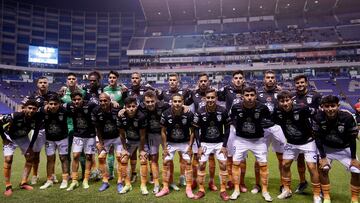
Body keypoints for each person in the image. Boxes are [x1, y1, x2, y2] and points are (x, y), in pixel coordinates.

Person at [272, 91, 321, 202]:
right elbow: (271, 121)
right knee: (284, 165)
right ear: (279, 102)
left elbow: (317, 116)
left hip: (307, 142)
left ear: (291, 100)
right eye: (282, 101)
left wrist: (316, 130)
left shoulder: (302, 108)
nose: (285, 103)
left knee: (312, 167)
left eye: (287, 100)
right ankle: (287, 190)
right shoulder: (277, 111)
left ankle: (317, 194)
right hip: (291, 142)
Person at [229, 86, 274, 201]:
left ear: (255, 95)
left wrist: (263, 125)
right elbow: (231, 119)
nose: (249, 98)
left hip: (258, 140)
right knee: (236, 164)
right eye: (247, 95)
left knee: (263, 165)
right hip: (240, 140)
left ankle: (264, 190)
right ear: (243, 96)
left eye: (252, 95)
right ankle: (236, 189)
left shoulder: (262, 107)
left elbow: (269, 120)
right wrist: (236, 126)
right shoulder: (236, 107)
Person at [314, 95, 360, 203]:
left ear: (338, 106)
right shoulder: (318, 117)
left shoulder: (347, 117)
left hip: (345, 149)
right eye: (327, 106)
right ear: (322, 107)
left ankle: (354, 198)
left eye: (333, 106)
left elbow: (352, 139)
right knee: (323, 169)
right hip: (327, 149)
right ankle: (326, 197)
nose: (330, 109)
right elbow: (317, 138)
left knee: (357, 171)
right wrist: (323, 157)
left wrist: (353, 158)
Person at [192, 89, 231, 200]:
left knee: (223, 164)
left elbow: (227, 128)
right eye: (208, 98)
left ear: (216, 98)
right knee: (202, 165)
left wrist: (224, 145)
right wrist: (199, 146)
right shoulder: (200, 111)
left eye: (212, 97)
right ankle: (201, 190)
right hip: (205, 143)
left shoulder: (223, 110)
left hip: (219, 142)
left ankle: (223, 190)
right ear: (205, 99)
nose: (210, 100)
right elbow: (195, 130)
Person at [156, 93, 195, 198]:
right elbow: (163, 131)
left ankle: (189, 188)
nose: (177, 103)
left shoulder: (189, 114)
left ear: (182, 102)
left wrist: (190, 147)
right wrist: (164, 148)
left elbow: (193, 131)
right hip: (171, 143)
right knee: (165, 162)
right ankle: (165, 188)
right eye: (175, 101)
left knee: (188, 162)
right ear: (171, 102)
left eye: (179, 101)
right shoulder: (165, 113)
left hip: (184, 143)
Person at [253, 70, 286, 194]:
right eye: (268, 77)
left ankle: (283, 184)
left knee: (281, 158)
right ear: (264, 79)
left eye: (272, 77)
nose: (270, 79)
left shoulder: (280, 93)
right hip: (263, 129)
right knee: (259, 159)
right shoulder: (258, 93)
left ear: (275, 79)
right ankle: (257, 184)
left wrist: (282, 90)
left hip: (278, 127)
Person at [0, 99, 40, 196]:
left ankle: (23, 182)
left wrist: (30, 147)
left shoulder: (37, 118)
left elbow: (35, 133)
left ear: (36, 110)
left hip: (23, 138)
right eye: (29, 108)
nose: (31, 110)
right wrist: (4, 138)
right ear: (25, 108)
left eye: (34, 109)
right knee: (8, 159)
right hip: (10, 137)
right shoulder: (16, 115)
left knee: (30, 157)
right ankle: (8, 186)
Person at [185, 73, 217, 191]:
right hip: (197, 128)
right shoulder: (194, 94)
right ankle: (194, 181)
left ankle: (211, 182)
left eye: (205, 81)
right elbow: (185, 105)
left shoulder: (213, 93)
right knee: (196, 157)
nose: (203, 83)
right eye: (201, 81)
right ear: (198, 82)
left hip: (211, 130)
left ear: (208, 82)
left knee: (211, 157)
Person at [158, 72, 189, 188]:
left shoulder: (184, 92)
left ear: (178, 81)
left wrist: (186, 106)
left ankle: (182, 177)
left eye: (174, 80)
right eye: (170, 80)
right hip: (169, 127)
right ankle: (169, 180)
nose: (172, 82)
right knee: (168, 158)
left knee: (183, 157)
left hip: (182, 128)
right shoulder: (163, 94)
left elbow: (189, 106)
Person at [292, 74, 322, 193]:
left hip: (313, 133)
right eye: (297, 83)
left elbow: (322, 111)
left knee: (313, 163)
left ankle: (318, 187)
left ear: (306, 83)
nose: (300, 85)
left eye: (302, 82)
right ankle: (302, 182)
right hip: (297, 133)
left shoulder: (315, 95)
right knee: (300, 160)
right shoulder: (292, 97)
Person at [25, 76, 58, 185]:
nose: (43, 84)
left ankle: (52, 174)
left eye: (45, 82)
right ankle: (35, 175)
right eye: (41, 82)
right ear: (37, 84)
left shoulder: (53, 95)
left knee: (52, 154)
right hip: (37, 129)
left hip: (50, 128)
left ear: (48, 84)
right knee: (36, 153)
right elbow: (24, 108)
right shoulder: (32, 97)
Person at [217, 70, 245, 190]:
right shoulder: (227, 89)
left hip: (244, 128)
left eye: (240, 78)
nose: (238, 80)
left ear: (243, 79)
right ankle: (229, 180)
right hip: (231, 126)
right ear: (233, 80)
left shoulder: (249, 91)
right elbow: (211, 95)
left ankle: (241, 182)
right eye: (236, 78)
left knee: (242, 158)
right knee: (228, 156)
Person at [139, 90, 171, 193]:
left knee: (168, 157)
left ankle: (170, 181)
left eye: (152, 101)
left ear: (156, 100)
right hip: (151, 135)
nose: (150, 104)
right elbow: (131, 108)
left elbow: (176, 107)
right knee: (154, 158)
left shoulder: (164, 106)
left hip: (164, 134)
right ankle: (156, 183)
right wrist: (123, 110)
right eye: (147, 102)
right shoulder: (141, 107)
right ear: (144, 102)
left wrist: (184, 107)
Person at [65, 92, 97, 191]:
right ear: (71, 100)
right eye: (74, 100)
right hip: (77, 135)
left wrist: (113, 102)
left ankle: (85, 179)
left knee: (88, 156)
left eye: (79, 99)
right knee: (75, 156)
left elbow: (101, 106)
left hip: (90, 135)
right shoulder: (69, 105)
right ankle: (74, 180)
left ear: (82, 99)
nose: (76, 101)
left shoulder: (90, 105)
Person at [92, 93, 123, 192]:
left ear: (109, 100)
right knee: (101, 157)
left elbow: (127, 111)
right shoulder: (96, 111)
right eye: (101, 101)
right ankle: (105, 181)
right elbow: (98, 129)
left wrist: (124, 109)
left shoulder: (116, 108)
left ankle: (120, 181)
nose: (103, 102)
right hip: (105, 138)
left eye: (105, 100)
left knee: (119, 158)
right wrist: (100, 143)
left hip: (118, 137)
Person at [38, 94, 70, 190]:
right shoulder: (44, 111)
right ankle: (49, 180)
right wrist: (43, 107)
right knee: (50, 159)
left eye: (55, 104)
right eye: (51, 104)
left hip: (62, 138)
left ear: (59, 104)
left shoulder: (64, 111)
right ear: (47, 104)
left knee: (63, 158)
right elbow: (37, 108)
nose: (53, 106)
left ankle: (65, 180)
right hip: (49, 139)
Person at [118, 97, 148, 195]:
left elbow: (143, 136)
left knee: (143, 159)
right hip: (130, 140)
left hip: (141, 141)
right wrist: (124, 149)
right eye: (128, 106)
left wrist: (142, 149)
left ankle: (143, 185)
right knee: (123, 159)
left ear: (137, 106)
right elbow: (122, 135)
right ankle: (127, 184)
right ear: (125, 107)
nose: (131, 109)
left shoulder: (141, 116)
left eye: (133, 106)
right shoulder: (121, 116)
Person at [103, 70, 126, 180]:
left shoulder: (121, 89)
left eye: (114, 77)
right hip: (109, 121)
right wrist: (112, 102)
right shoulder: (105, 90)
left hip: (120, 121)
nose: (112, 79)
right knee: (110, 150)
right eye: (110, 77)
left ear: (117, 79)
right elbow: (104, 101)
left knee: (120, 151)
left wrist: (125, 93)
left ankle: (121, 173)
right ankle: (111, 173)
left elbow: (126, 102)